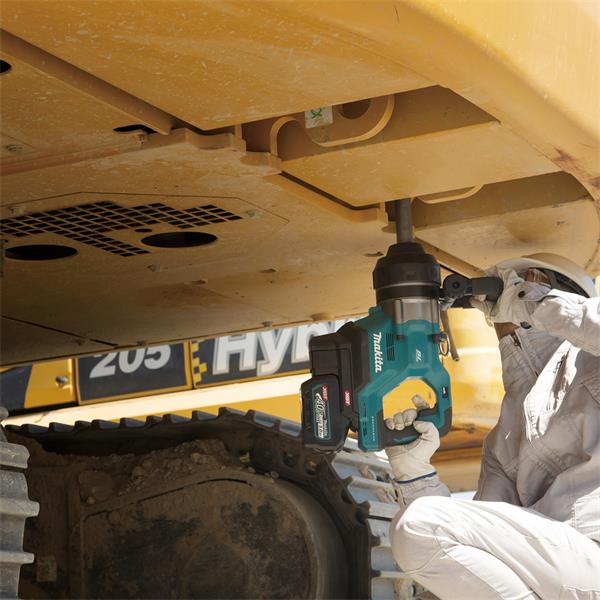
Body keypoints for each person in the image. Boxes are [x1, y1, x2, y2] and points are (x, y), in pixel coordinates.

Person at [385, 254, 600, 600]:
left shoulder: (590, 363)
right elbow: (468, 557)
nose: (497, 315)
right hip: (558, 570)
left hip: (591, 561)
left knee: (420, 523)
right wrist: (415, 475)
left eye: (513, 289)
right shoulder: (504, 436)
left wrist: (533, 303)